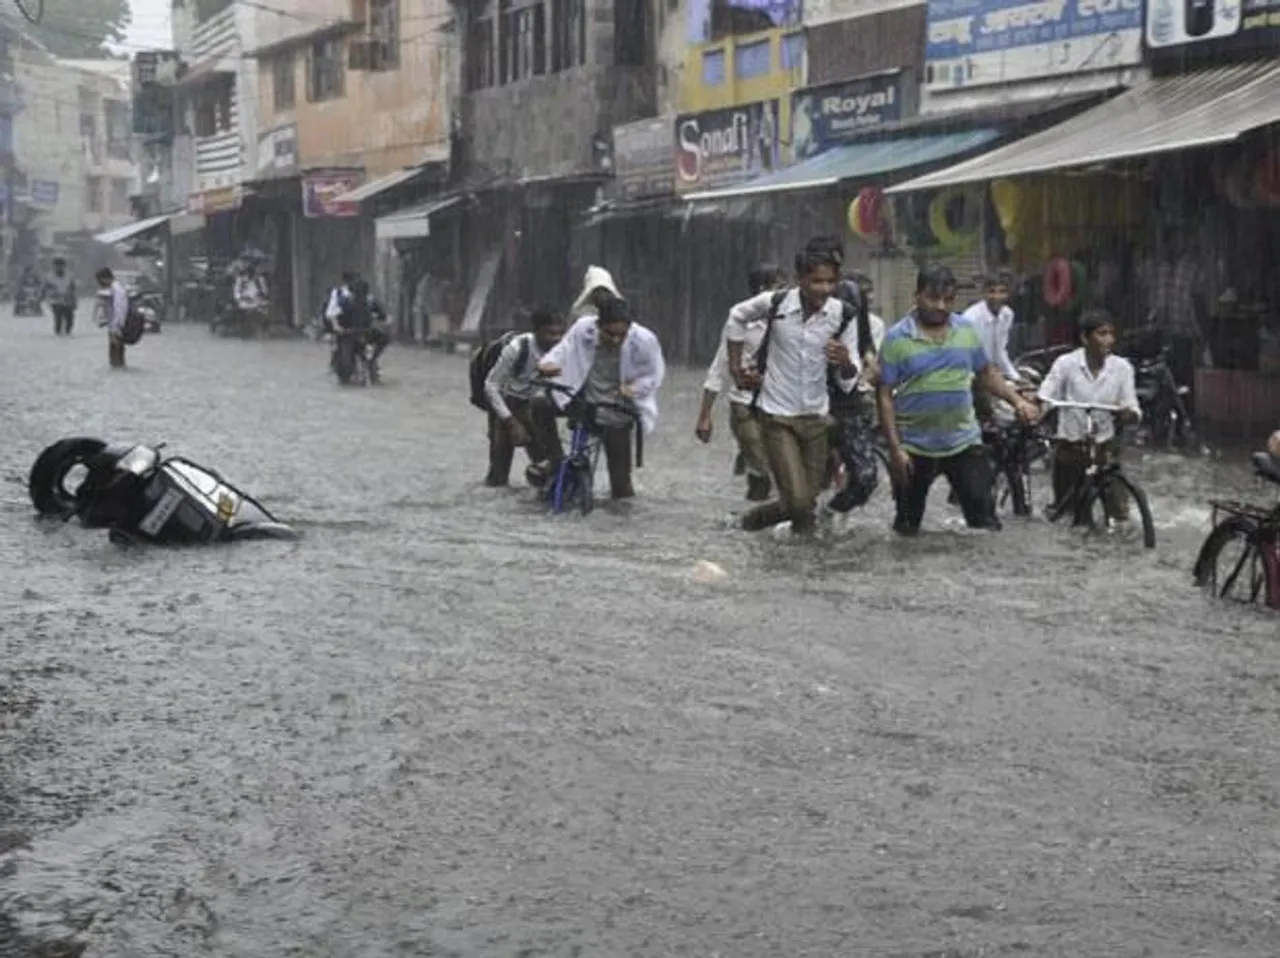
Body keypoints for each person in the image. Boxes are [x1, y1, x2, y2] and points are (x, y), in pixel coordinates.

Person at [877, 266, 1039, 536]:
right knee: (907, 530)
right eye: (933, 298)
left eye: (948, 300)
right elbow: (884, 396)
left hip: (963, 443)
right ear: (916, 296)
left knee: (986, 528)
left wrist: (1017, 401)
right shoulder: (896, 338)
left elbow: (985, 373)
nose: (940, 306)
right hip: (914, 447)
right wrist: (895, 450)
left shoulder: (966, 330)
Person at [725, 245, 862, 534]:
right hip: (777, 416)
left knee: (804, 507)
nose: (824, 289)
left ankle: (757, 531)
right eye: (817, 281)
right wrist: (736, 368)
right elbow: (736, 316)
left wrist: (845, 361)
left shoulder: (844, 315)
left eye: (830, 282)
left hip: (816, 418)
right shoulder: (776, 304)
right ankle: (775, 549)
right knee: (799, 503)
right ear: (800, 279)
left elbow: (850, 380)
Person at [538, 294, 665, 500]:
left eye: (620, 336)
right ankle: (555, 460)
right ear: (598, 325)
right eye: (609, 334)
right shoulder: (582, 329)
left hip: (617, 408)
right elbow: (562, 350)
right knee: (539, 404)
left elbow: (654, 374)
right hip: (582, 402)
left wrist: (633, 389)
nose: (615, 340)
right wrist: (546, 365)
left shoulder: (644, 340)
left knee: (621, 487)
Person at [1036, 308, 1142, 519]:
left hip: (1104, 449)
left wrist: (1127, 413)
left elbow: (1133, 406)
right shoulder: (1066, 364)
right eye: (1102, 334)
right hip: (1071, 447)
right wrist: (1039, 409)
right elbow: (1046, 395)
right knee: (1067, 514)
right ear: (1085, 338)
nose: (1109, 340)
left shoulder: (1123, 368)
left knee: (1120, 515)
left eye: (1111, 334)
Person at [694, 262, 786, 501]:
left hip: (779, 403)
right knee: (764, 471)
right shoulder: (740, 322)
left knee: (779, 469)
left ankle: (759, 516)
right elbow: (719, 368)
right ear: (761, 290)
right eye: (778, 286)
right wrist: (705, 415)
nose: (784, 292)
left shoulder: (789, 321)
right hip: (744, 403)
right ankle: (755, 521)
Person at [483, 308, 566, 487]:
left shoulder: (565, 351)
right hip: (506, 406)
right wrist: (510, 422)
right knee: (498, 476)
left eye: (560, 333)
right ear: (537, 331)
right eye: (550, 333)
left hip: (535, 407)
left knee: (548, 464)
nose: (556, 339)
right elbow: (491, 385)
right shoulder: (517, 349)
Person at [963, 271, 1020, 383]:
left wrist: (1015, 377)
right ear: (984, 293)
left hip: (993, 375)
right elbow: (966, 355)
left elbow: (1000, 351)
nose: (997, 297)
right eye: (992, 291)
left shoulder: (1007, 315)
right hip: (972, 376)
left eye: (1002, 292)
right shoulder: (971, 317)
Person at [96, 267, 130, 368]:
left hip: (116, 327)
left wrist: (116, 327)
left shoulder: (117, 290)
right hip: (114, 326)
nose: (99, 283)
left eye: (100, 280)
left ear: (105, 278)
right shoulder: (113, 289)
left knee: (116, 353)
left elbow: (119, 309)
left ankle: (118, 367)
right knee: (115, 354)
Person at [45, 257, 77, 335]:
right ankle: (58, 333)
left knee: (70, 320)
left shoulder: (69, 276)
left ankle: (67, 332)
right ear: (54, 266)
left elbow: (73, 289)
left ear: (64, 266)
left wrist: (74, 301)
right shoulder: (49, 277)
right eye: (57, 266)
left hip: (67, 300)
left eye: (61, 266)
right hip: (55, 301)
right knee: (58, 317)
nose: (59, 268)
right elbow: (45, 288)